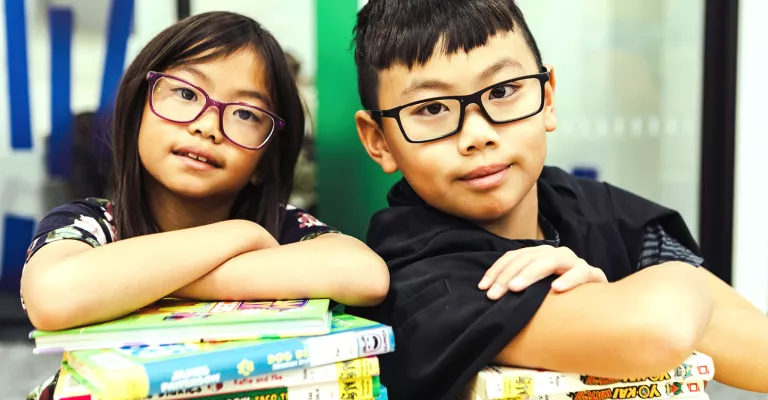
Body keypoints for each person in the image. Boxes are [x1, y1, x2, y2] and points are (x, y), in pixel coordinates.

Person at [348, 0, 768, 398]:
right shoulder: (412, 280)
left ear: (547, 97)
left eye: (503, 91)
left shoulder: (588, 206)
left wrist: (659, 288)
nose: (478, 136)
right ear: (379, 140)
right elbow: (662, 330)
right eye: (432, 109)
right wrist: (681, 283)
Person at [22, 12, 389, 400]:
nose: (207, 126)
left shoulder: (283, 228)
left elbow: (366, 275)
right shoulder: (92, 222)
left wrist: (136, 284)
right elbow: (52, 296)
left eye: (246, 114)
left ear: (265, 161)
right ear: (136, 114)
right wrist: (239, 234)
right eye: (185, 93)